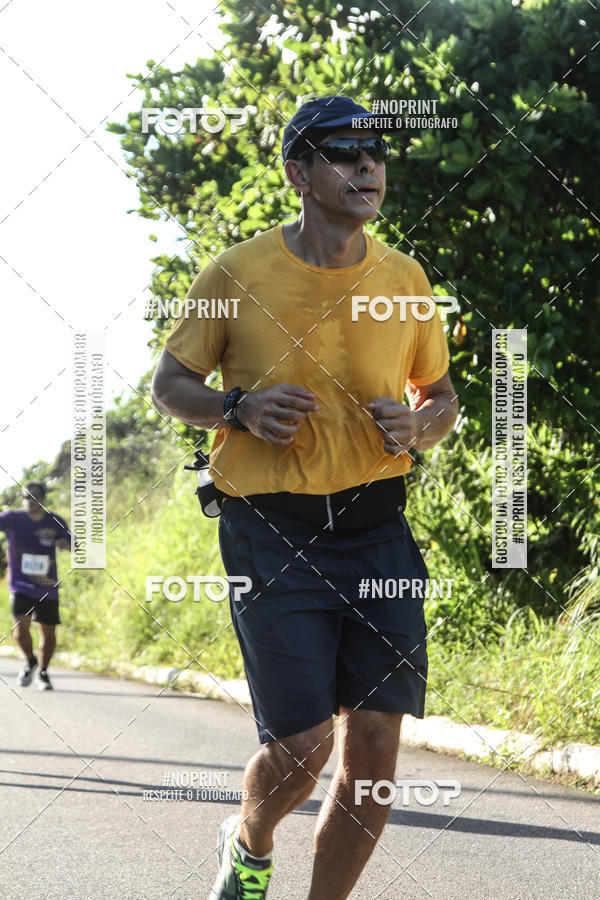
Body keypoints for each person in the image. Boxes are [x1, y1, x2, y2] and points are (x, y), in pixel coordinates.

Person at [151, 95, 458, 899]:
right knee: (302, 745)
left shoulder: (405, 278)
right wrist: (235, 407)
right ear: (298, 172)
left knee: (378, 747)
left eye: (376, 154)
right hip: (271, 531)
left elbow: (443, 396)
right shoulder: (236, 273)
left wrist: (421, 427)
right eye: (345, 153)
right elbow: (170, 383)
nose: (368, 167)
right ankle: (248, 840)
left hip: (377, 529)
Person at [0, 481, 71, 690]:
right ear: (22, 498)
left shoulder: (54, 521)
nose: (30, 501)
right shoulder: (13, 518)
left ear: (42, 499)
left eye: (35, 497)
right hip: (20, 585)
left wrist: (64, 544)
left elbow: (74, 544)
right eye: (26, 497)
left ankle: (43, 672)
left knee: (48, 634)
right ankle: (30, 660)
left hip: (47, 587)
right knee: (20, 629)